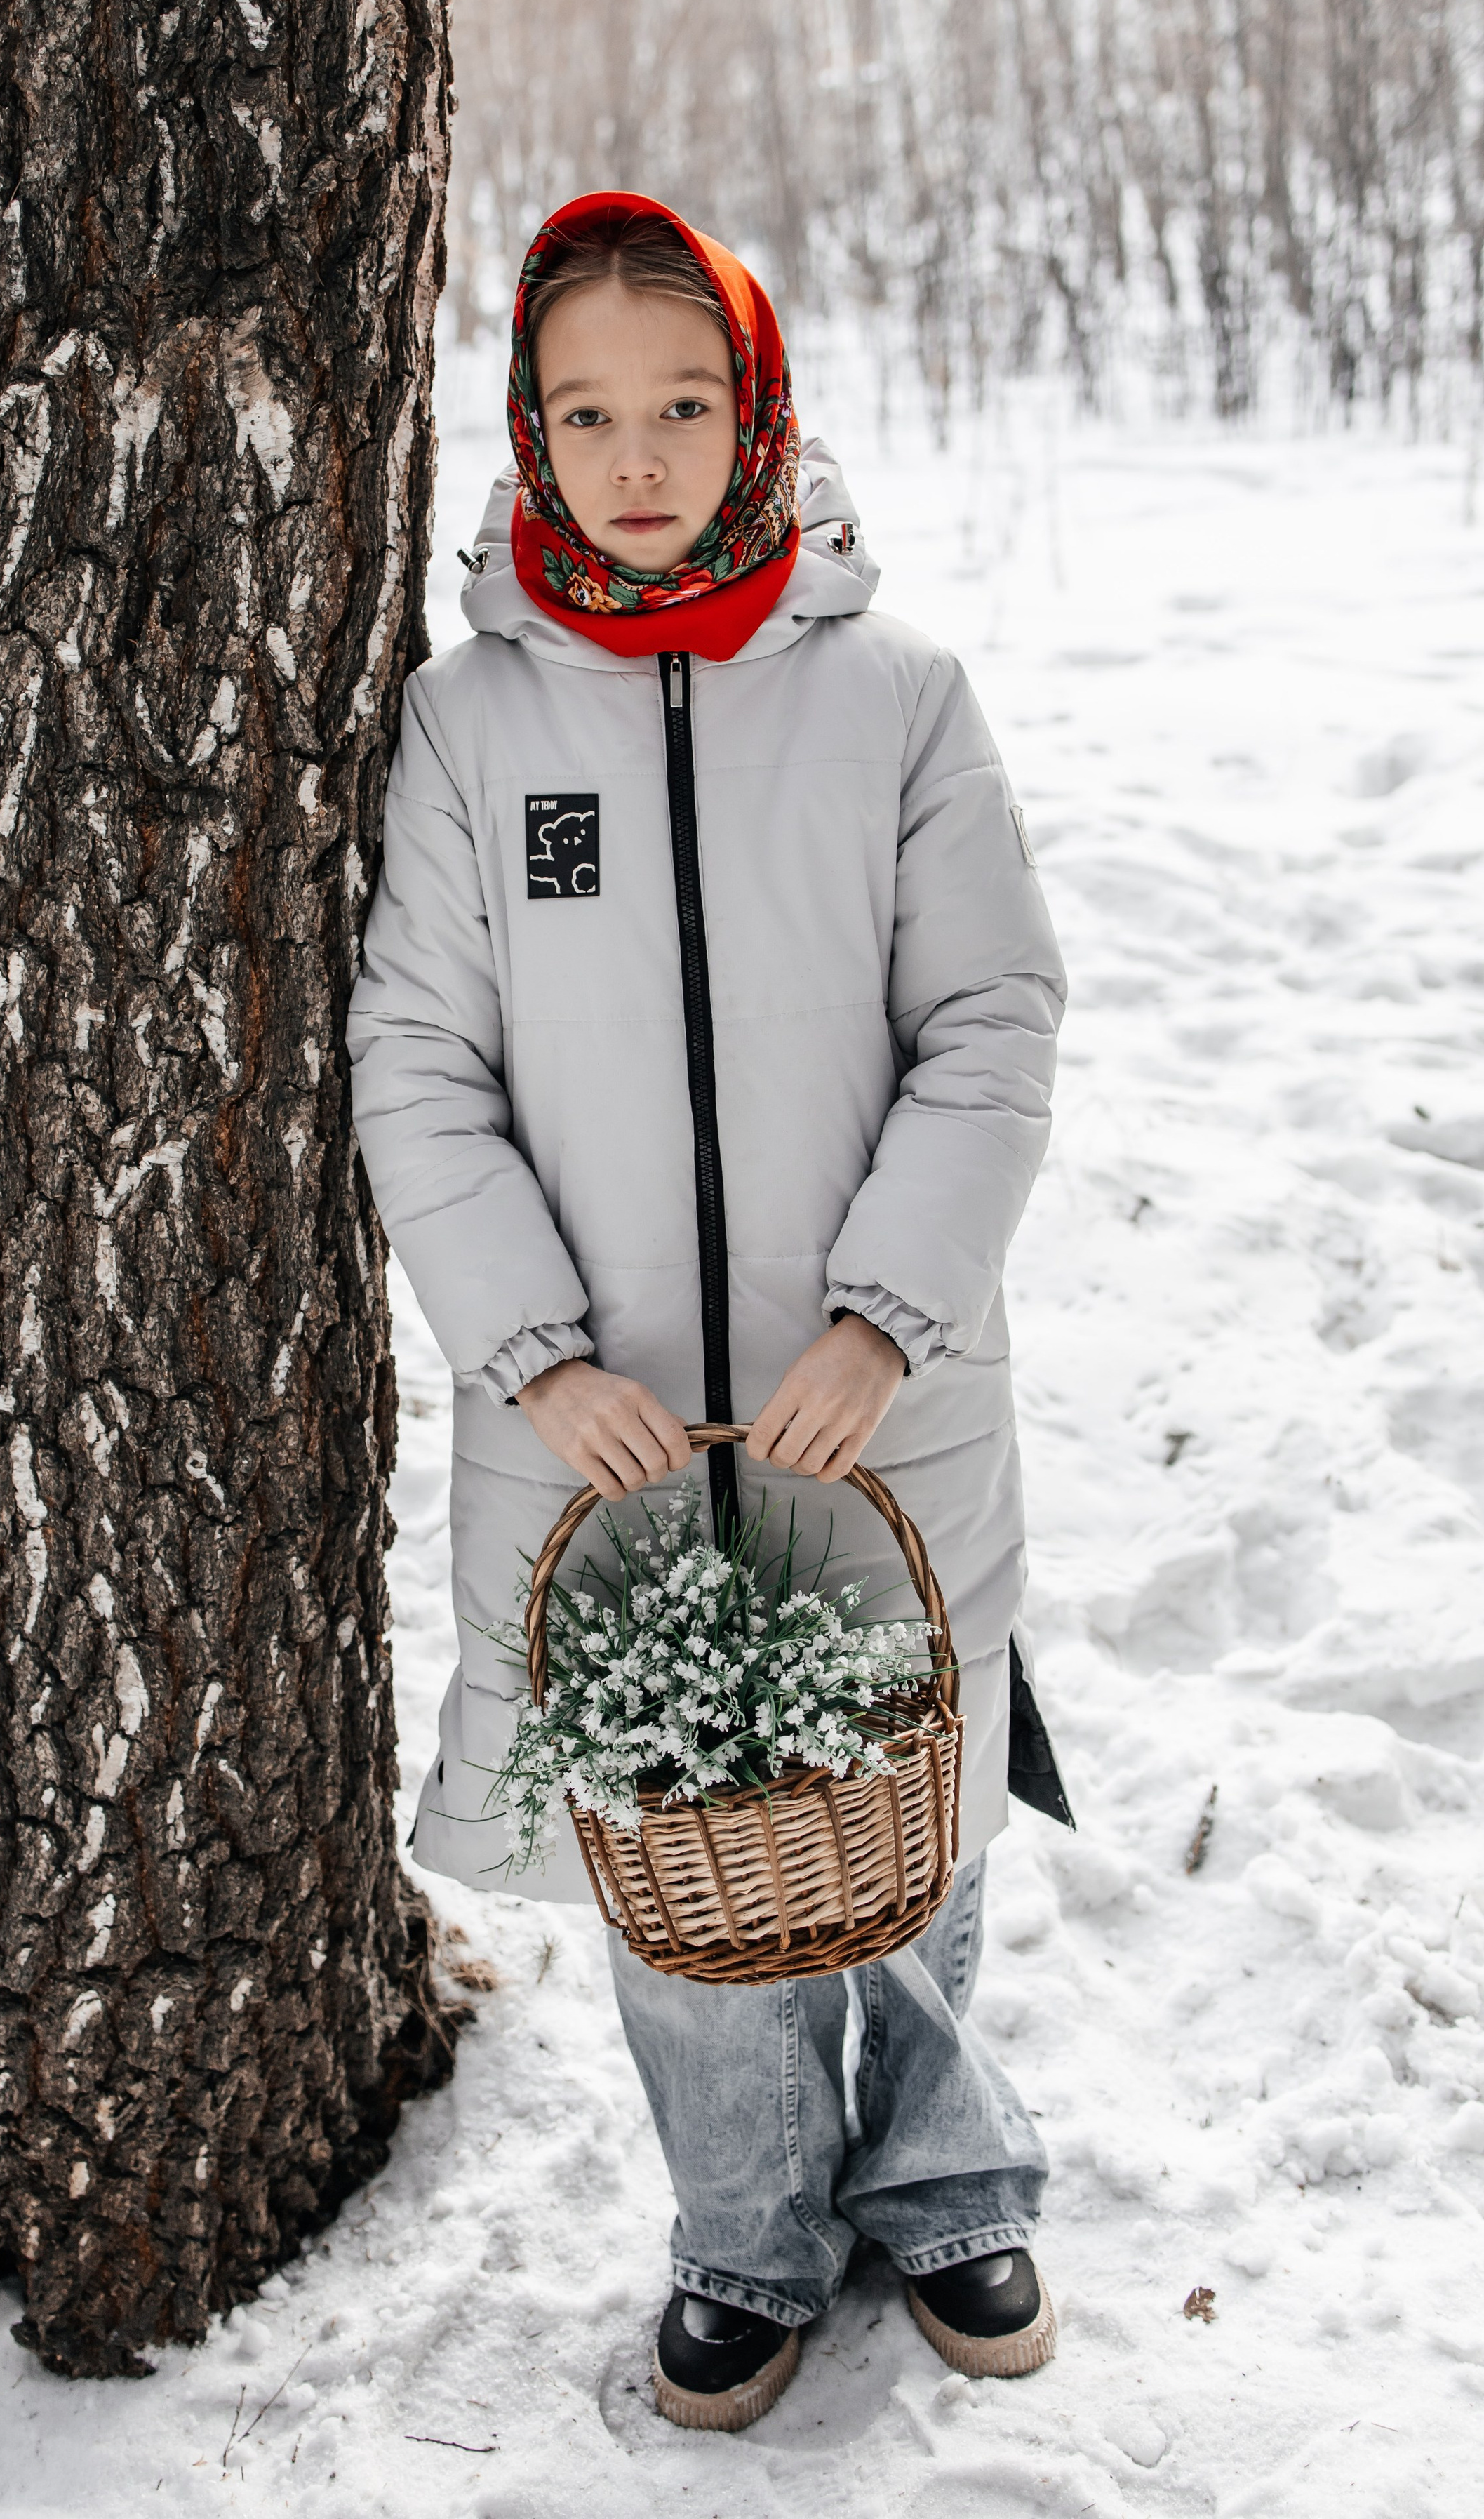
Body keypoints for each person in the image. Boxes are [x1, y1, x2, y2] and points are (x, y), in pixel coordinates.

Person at [347, 191, 1071, 2432]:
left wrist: (890, 1314)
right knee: (679, 1843)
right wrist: (535, 1352)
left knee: (901, 1813)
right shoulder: (470, 727)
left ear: (757, 415)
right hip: (609, 1429)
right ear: (526, 435)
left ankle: (945, 2180)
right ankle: (747, 2225)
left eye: (684, 406)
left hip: (885, 1407)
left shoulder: (895, 700)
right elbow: (417, 1060)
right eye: (586, 413)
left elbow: (991, 1019)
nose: (635, 459)